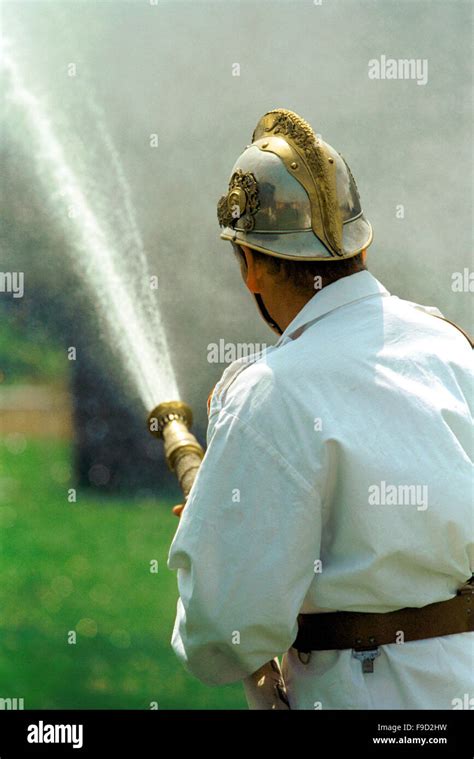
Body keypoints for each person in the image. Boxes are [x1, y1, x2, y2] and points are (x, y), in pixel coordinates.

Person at [167, 108, 473, 709]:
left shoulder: (268, 393)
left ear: (250, 266)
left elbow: (221, 631)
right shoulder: (453, 347)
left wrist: (210, 550)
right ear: (361, 242)